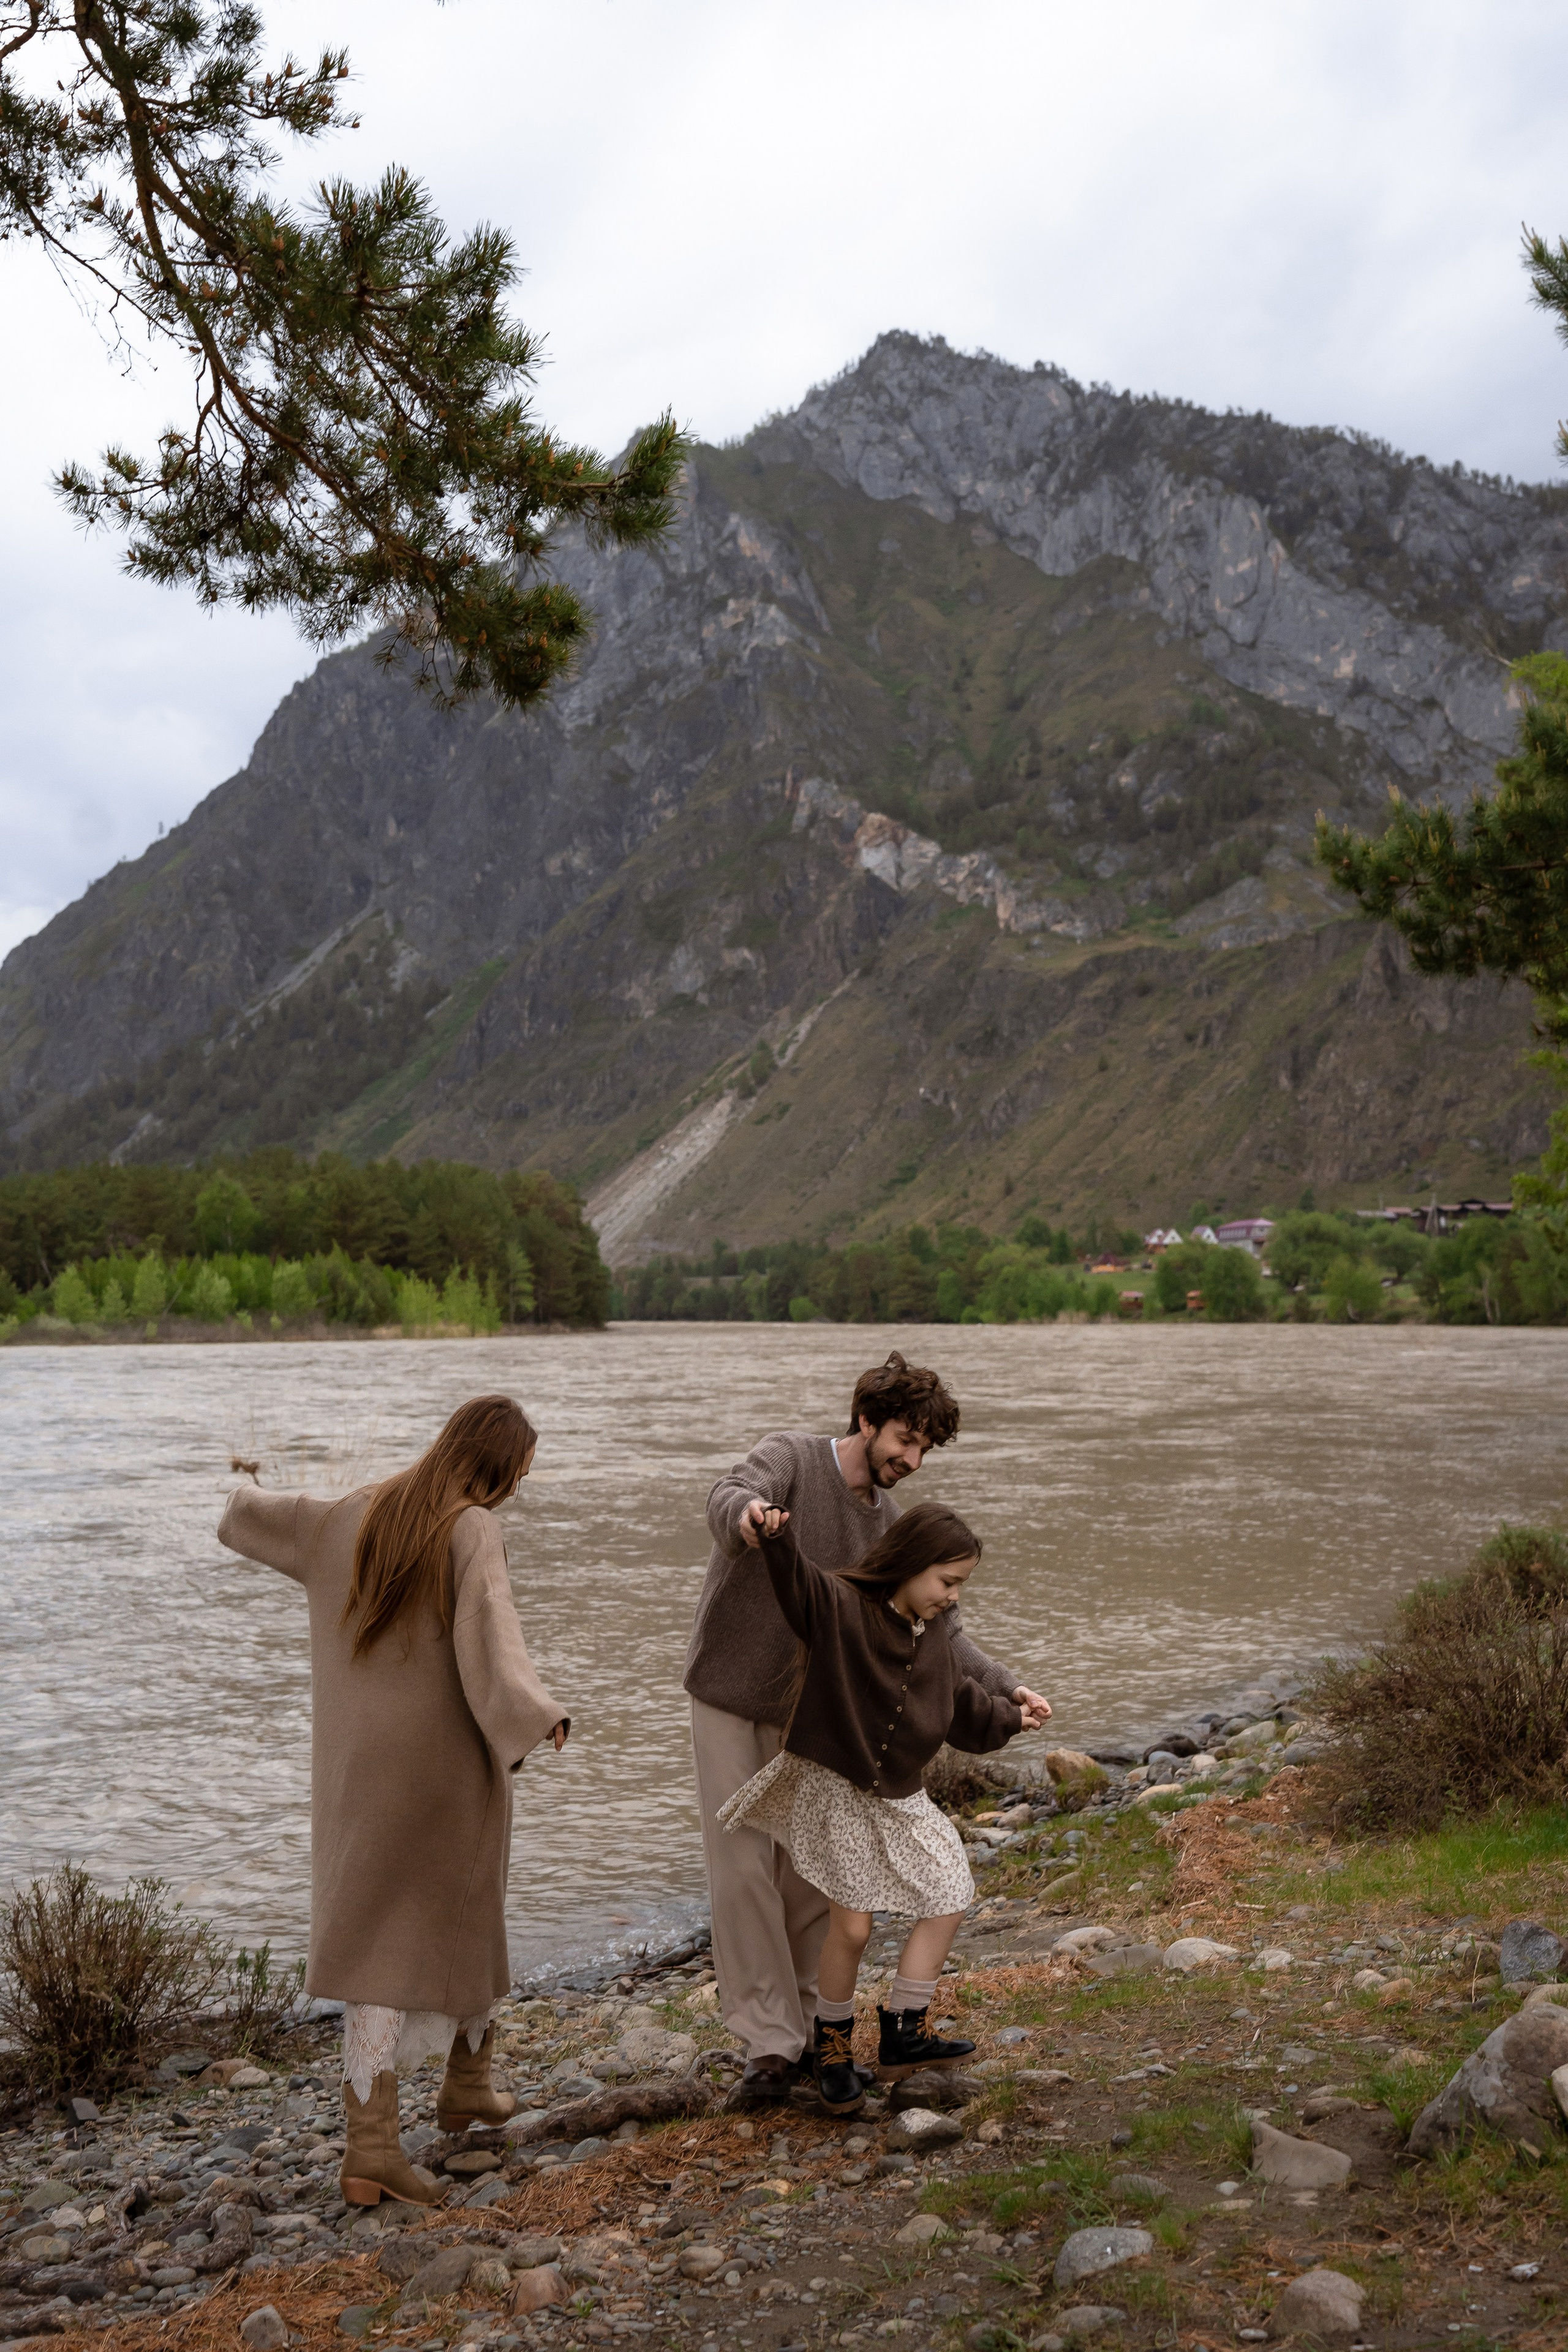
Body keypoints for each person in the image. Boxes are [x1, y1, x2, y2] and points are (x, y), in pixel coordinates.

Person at [217, 1393, 568, 2208]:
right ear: (497, 1467)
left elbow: (244, 1515)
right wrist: (535, 1715)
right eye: (518, 1471)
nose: (517, 1485)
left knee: (381, 1934)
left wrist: (239, 1498)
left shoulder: (347, 1513)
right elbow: (493, 1633)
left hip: (353, 1773)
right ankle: (408, 2124)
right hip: (443, 1765)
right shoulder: (470, 1524)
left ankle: (439, 2104)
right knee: (464, 1911)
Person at [685, 1351, 1050, 2105]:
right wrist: (749, 1520)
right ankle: (768, 2044)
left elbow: (943, 1634)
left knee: (816, 1878)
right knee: (744, 1872)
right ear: (866, 1420)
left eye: (923, 1450)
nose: (911, 1461)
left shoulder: (890, 1529)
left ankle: (821, 2033)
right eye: (903, 1442)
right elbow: (728, 1493)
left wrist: (1004, 1684)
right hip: (728, 1694)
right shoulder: (790, 1459)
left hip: (815, 1720)